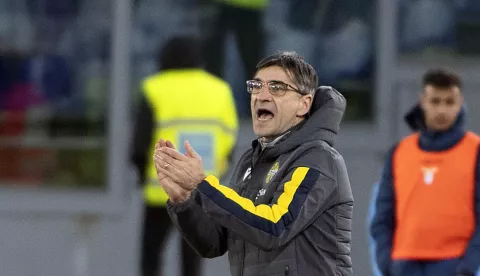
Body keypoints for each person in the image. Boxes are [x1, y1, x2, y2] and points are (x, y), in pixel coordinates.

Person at [153, 51, 354, 276]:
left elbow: (275, 227)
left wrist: (203, 184)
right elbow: (214, 243)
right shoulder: (251, 161)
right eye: (256, 86)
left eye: (277, 88)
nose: (262, 95)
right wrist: (183, 201)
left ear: (304, 104)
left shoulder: (318, 159)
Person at [130, 35, 239, 276]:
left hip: (160, 188)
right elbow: (230, 140)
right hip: (200, 188)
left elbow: (139, 142)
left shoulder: (153, 87)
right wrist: (216, 173)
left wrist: (141, 174)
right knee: (192, 260)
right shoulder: (220, 89)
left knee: (151, 256)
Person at [369, 68, 480, 276]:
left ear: (460, 103)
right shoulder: (400, 152)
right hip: (404, 264)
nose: (442, 110)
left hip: (454, 263)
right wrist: (386, 263)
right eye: (435, 101)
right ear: (422, 101)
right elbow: (383, 215)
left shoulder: (475, 151)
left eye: (449, 102)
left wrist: (468, 267)